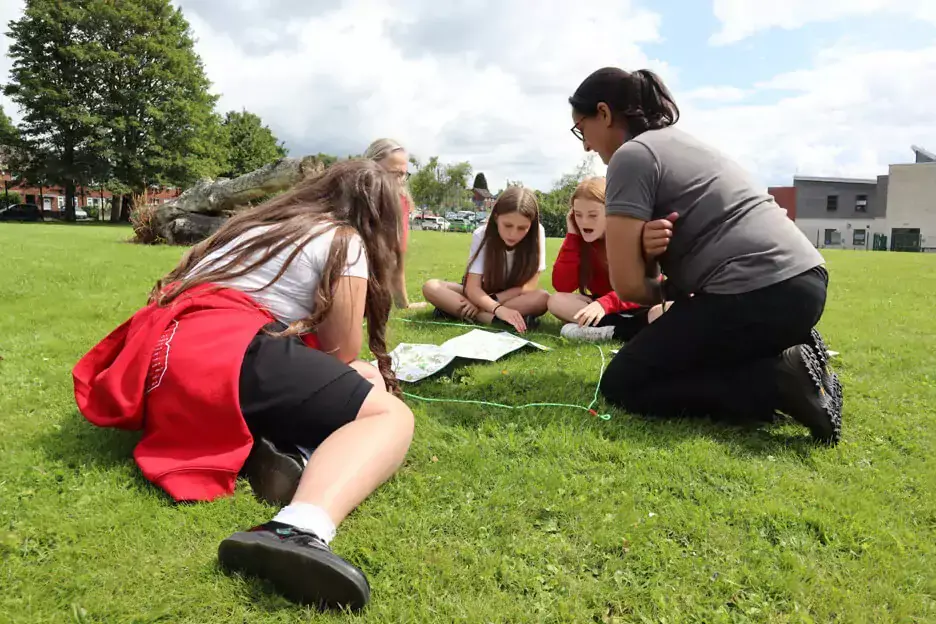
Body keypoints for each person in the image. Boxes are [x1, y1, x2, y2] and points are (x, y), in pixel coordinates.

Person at [72, 160, 415, 611]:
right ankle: (298, 526)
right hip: (227, 353)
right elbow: (342, 348)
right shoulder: (342, 239)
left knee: (355, 382)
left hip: (163, 363)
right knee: (388, 414)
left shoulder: (252, 226)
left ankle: (278, 448)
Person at [568, 66, 843, 444]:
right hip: (805, 282)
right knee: (689, 348)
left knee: (624, 382)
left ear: (603, 113)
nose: (585, 145)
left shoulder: (630, 157)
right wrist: (650, 255)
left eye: (581, 129)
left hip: (754, 295)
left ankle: (778, 380)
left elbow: (629, 286)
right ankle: (793, 347)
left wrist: (648, 269)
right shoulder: (681, 142)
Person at [549, 176, 670, 342]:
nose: (584, 222)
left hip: (637, 304)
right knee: (556, 301)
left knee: (668, 309)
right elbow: (562, 285)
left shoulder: (630, 236)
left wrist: (605, 304)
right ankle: (622, 329)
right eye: (578, 215)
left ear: (610, 213)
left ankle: (609, 331)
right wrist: (572, 236)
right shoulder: (579, 241)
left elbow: (643, 289)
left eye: (593, 215)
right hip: (604, 307)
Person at [422, 186, 549, 334]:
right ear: (496, 217)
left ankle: (456, 311)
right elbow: (473, 288)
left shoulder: (538, 233)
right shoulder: (481, 234)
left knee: (542, 298)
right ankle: (490, 319)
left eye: (522, 228)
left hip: (511, 298)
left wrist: (494, 301)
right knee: (431, 287)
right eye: (507, 225)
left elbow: (528, 287)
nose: (513, 233)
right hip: (479, 294)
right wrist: (496, 309)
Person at [364, 138, 425, 310]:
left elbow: (397, 259)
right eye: (395, 174)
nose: (401, 180)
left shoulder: (401, 201)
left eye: (404, 174)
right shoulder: (354, 201)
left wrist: (403, 305)